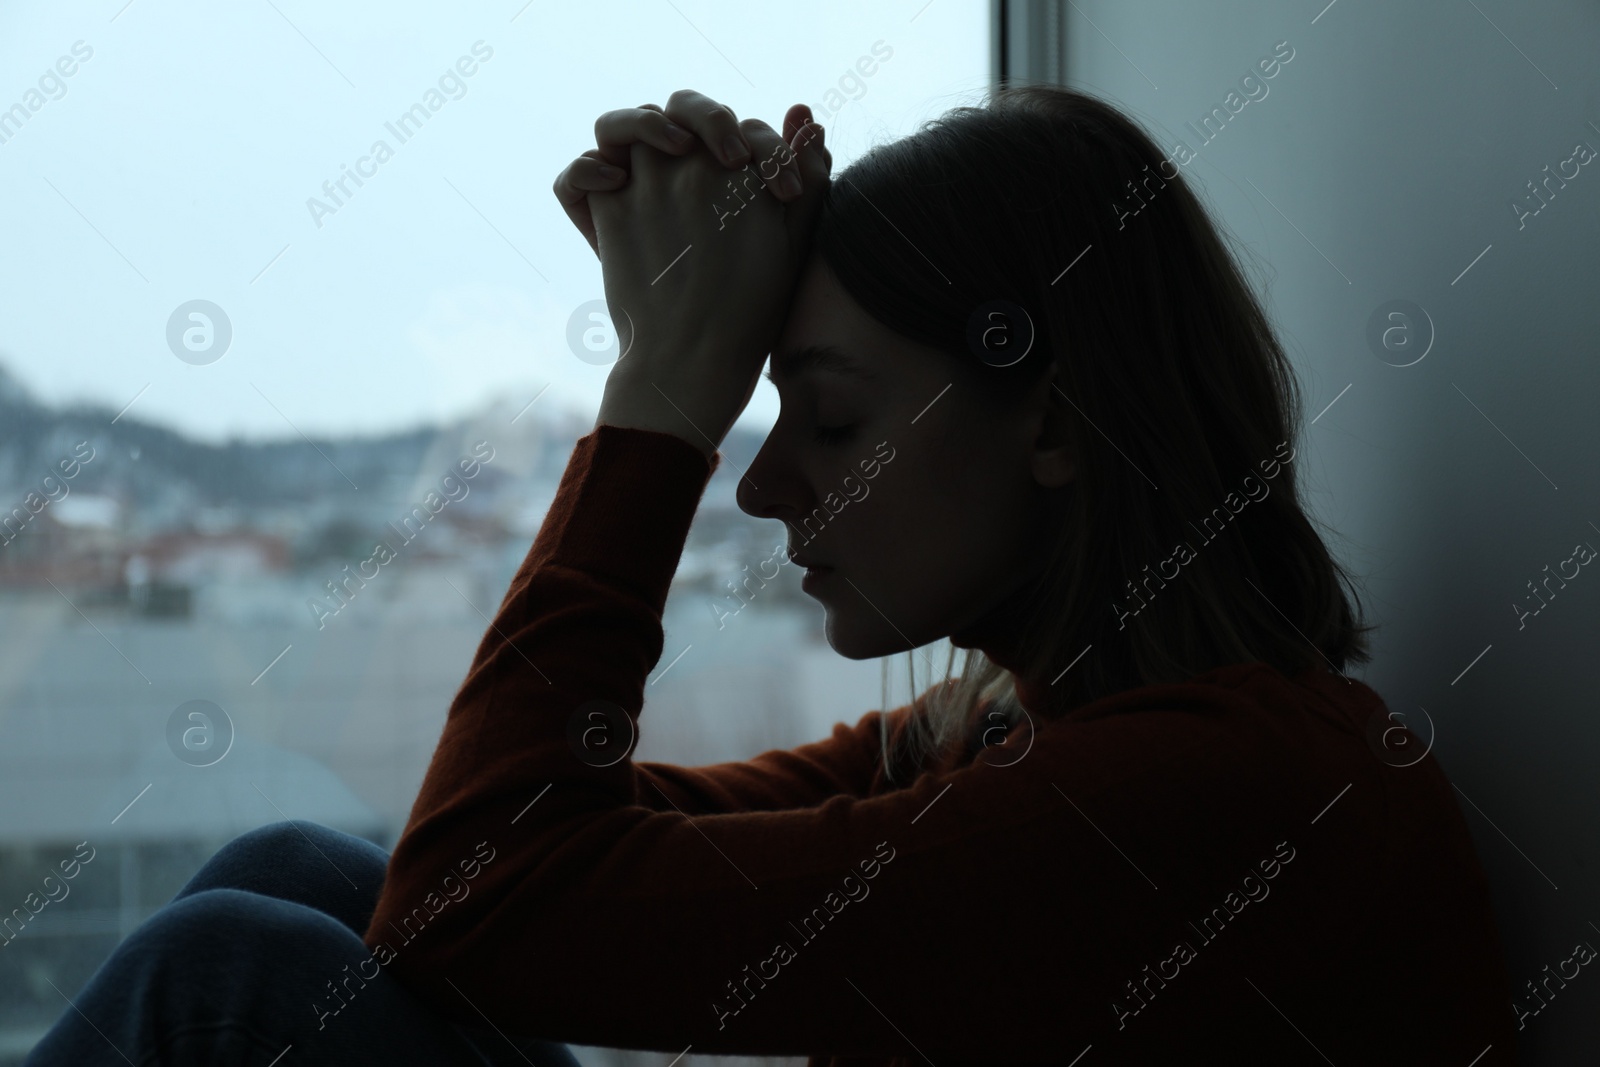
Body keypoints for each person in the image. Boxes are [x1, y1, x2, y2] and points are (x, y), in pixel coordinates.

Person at [28, 85, 1519, 1065]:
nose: (761, 483)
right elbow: (485, 861)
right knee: (287, 876)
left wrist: (663, 395)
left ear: (1053, 425)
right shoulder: (1005, 744)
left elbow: (485, 893)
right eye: (758, 415)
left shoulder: (1213, 806)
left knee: (226, 974)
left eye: (835, 416)